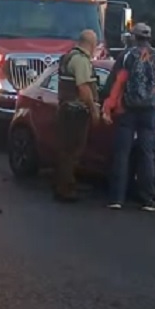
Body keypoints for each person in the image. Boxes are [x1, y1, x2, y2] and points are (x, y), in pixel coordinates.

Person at [102, 23, 155, 211]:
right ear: (149, 38)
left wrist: (108, 108)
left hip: (127, 111)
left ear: (133, 37)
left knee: (122, 154)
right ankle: (147, 200)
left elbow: (116, 84)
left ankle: (117, 198)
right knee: (147, 155)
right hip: (150, 111)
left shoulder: (126, 57)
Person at [54, 29, 100, 202]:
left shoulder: (68, 57)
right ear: (91, 44)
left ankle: (61, 185)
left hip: (66, 109)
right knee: (72, 151)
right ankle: (66, 189)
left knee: (65, 150)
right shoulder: (80, 61)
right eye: (95, 44)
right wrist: (94, 109)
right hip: (75, 111)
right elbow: (83, 88)